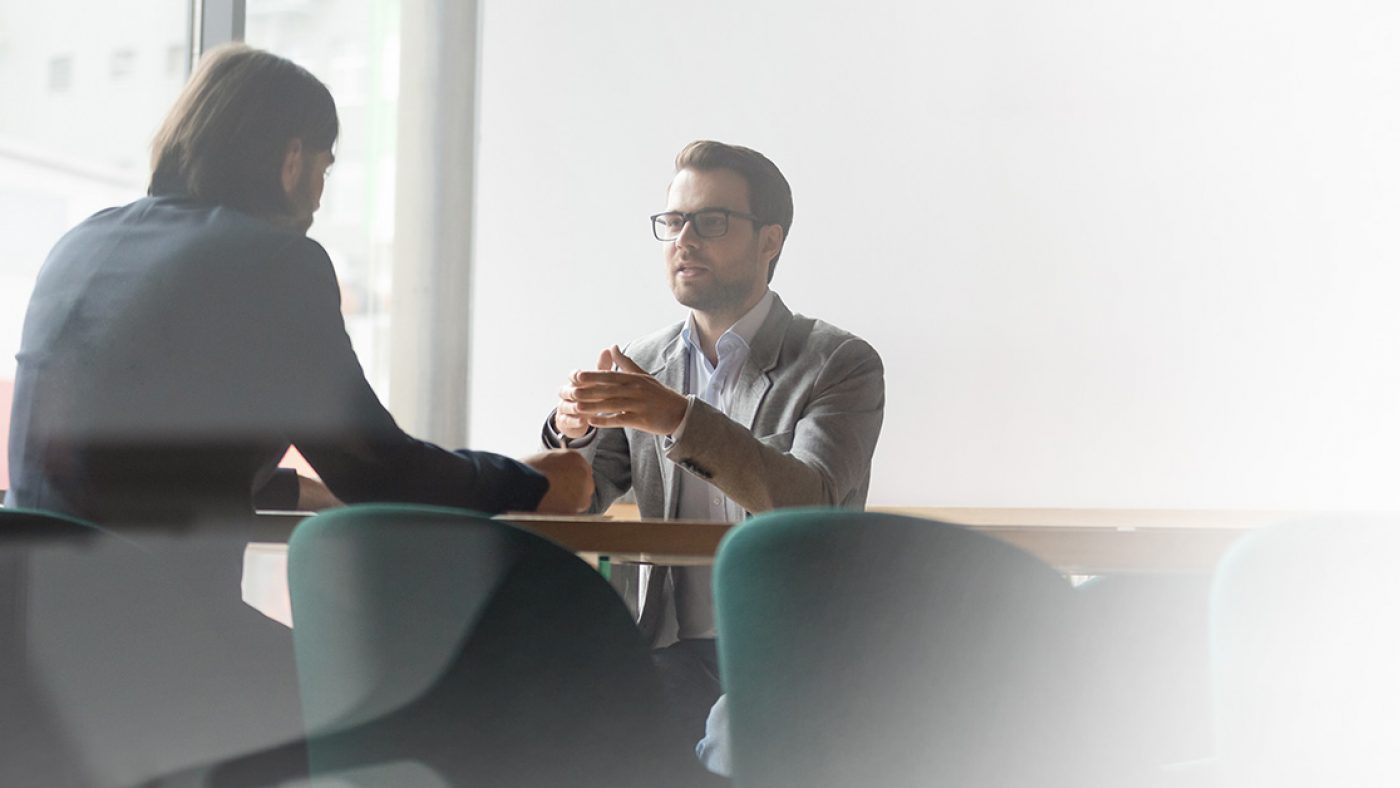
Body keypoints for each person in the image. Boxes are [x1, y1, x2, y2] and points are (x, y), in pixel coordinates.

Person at [4, 43, 592, 525]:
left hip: (34, 629)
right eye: (323, 169)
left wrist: (312, 490)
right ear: (291, 160)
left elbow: (147, 467)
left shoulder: (83, 243)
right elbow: (379, 469)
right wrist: (530, 482)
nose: (318, 197)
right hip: (154, 639)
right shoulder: (274, 264)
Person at [543, 140, 885, 749]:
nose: (684, 238)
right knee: (568, 722)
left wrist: (679, 419)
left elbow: (811, 502)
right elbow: (578, 499)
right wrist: (575, 430)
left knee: (734, 736)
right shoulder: (647, 363)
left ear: (770, 240)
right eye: (673, 221)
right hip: (671, 651)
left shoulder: (838, 363)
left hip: (796, 653)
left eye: (712, 221)